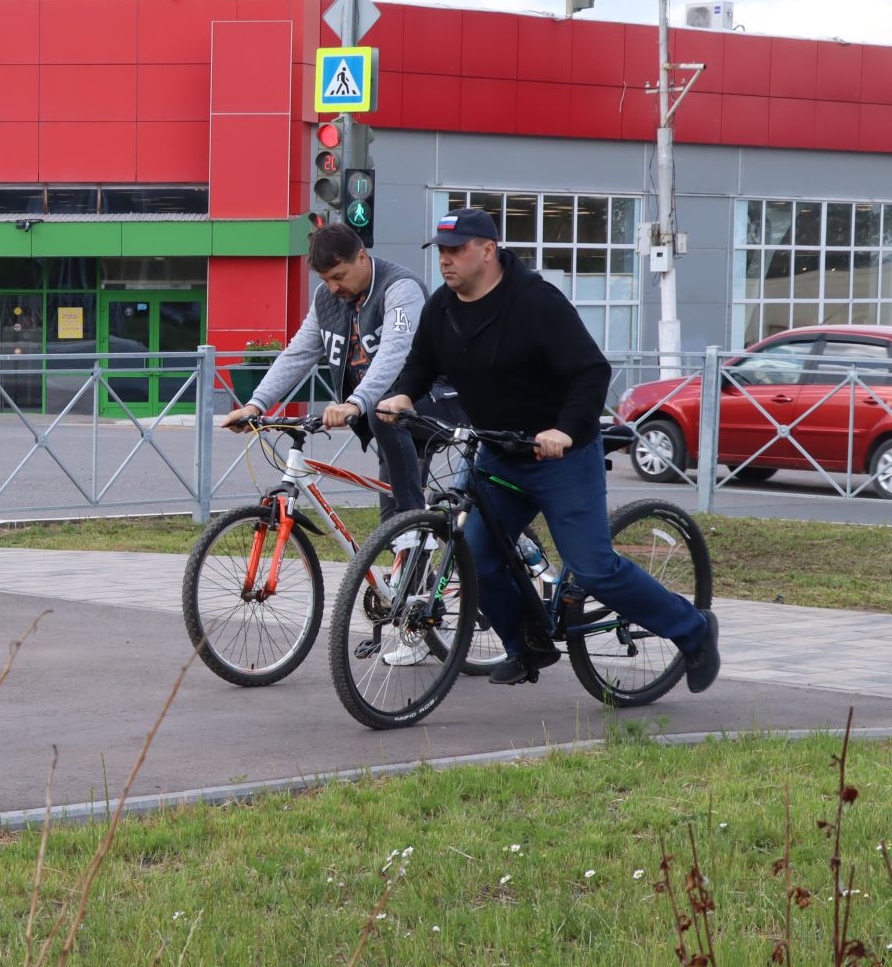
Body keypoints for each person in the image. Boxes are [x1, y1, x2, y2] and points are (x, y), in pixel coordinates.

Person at [378, 207, 719, 690]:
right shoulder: (443, 307)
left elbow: (590, 373)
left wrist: (564, 430)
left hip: (561, 457)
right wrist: (403, 393)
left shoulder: (536, 302)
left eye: (456, 251)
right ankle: (528, 644)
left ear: (488, 250)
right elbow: (421, 362)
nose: (446, 261)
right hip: (499, 455)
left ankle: (694, 630)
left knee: (594, 570)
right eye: (441, 252)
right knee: (477, 557)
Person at [220, 222, 430, 518]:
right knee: (388, 524)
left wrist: (354, 402)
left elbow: (393, 353)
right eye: (325, 279)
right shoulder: (327, 299)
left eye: (338, 276)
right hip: (381, 414)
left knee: (401, 517)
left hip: (431, 398)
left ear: (361, 257)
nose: (333, 287)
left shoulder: (400, 288)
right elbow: (298, 353)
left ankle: (414, 527)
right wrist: (256, 404)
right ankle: (408, 543)